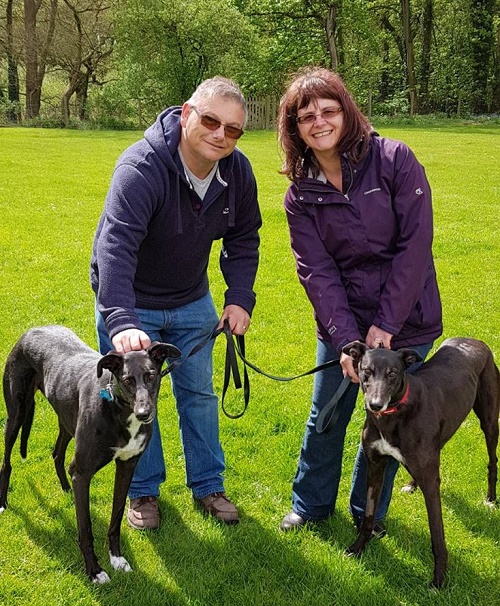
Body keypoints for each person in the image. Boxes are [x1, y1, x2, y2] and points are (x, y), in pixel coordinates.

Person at [277, 67, 442, 533]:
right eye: (306, 116)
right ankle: (309, 506)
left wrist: (386, 326)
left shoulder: (394, 159)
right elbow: (317, 270)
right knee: (326, 413)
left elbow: (415, 246)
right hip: (341, 322)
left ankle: (366, 513)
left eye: (328, 111)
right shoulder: (299, 195)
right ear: (294, 129)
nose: (319, 122)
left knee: (394, 420)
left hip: (408, 317)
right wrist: (349, 341)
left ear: (346, 113)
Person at [91, 77, 261, 529]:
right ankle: (142, 493)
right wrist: (122, 319)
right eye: (210, 121)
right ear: (187, 115)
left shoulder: (236, 172)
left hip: (191, 300)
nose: (220, 135)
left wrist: (240, 297)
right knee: (134, 400)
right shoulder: (141, 167)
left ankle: (208, 485)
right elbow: (116, 247)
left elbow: (243, 239)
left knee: (199, 395)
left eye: (233, 129)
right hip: (132, 301)